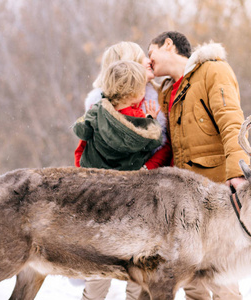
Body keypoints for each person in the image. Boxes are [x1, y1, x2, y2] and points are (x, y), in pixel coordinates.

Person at [148, 31, 250, 299]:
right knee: (191, 281)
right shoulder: (169, 90)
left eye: (151, 53)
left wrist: (238, 173)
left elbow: (232, 124)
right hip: (183, 203)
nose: (150, 61)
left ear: (168, 45)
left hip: (216, 196)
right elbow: (169, 145)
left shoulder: (213, 71)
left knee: (221, 278)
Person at [73, 60, 163, 299]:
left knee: (99, 262)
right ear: (137, 93)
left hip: (97, 199)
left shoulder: (97, 111)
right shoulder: (140, 122)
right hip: (129, 203)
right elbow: (153, 143)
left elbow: (80, 131)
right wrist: (151, 119)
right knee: (135, 260)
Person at [75, 41, 171, 170]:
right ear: (127, 67)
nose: (149, 61)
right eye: (142, 57)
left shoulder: (162, 98)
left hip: (146, 182)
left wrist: (143, 171)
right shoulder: (99, 107)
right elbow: (83, 149)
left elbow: (166, 146)